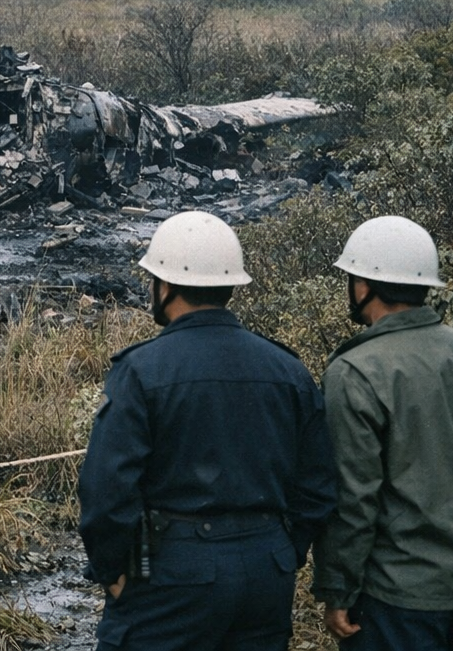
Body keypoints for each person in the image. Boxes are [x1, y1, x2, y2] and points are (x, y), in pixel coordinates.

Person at [79, 210, 336, 650]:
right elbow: (318, 483)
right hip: (265, 571)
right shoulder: (288, 370)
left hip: (172, 571)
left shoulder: (141, 370)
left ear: (166, 286)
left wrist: (111, 570)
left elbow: (106, 488)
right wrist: (283, 549)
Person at [312, 216, 453, 650]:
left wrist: (338, 590)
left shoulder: (355, 372)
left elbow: (354, 499)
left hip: (397, 594)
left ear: (364, 286)